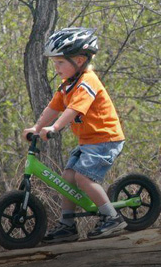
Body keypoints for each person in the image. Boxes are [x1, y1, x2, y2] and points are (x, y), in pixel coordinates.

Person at [23, 27, 127, 241]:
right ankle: (68, 225)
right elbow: (53, 107)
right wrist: (37, 127)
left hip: (105, 139)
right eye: (55, 63)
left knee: (82, 177)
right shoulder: (68, 84)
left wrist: (55, 128)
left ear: (79, 60)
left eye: (60, 62)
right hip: (89, 141)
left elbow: (74, 110)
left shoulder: (87, 81)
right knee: (68, 178)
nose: (56, 67)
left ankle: (112, 217)